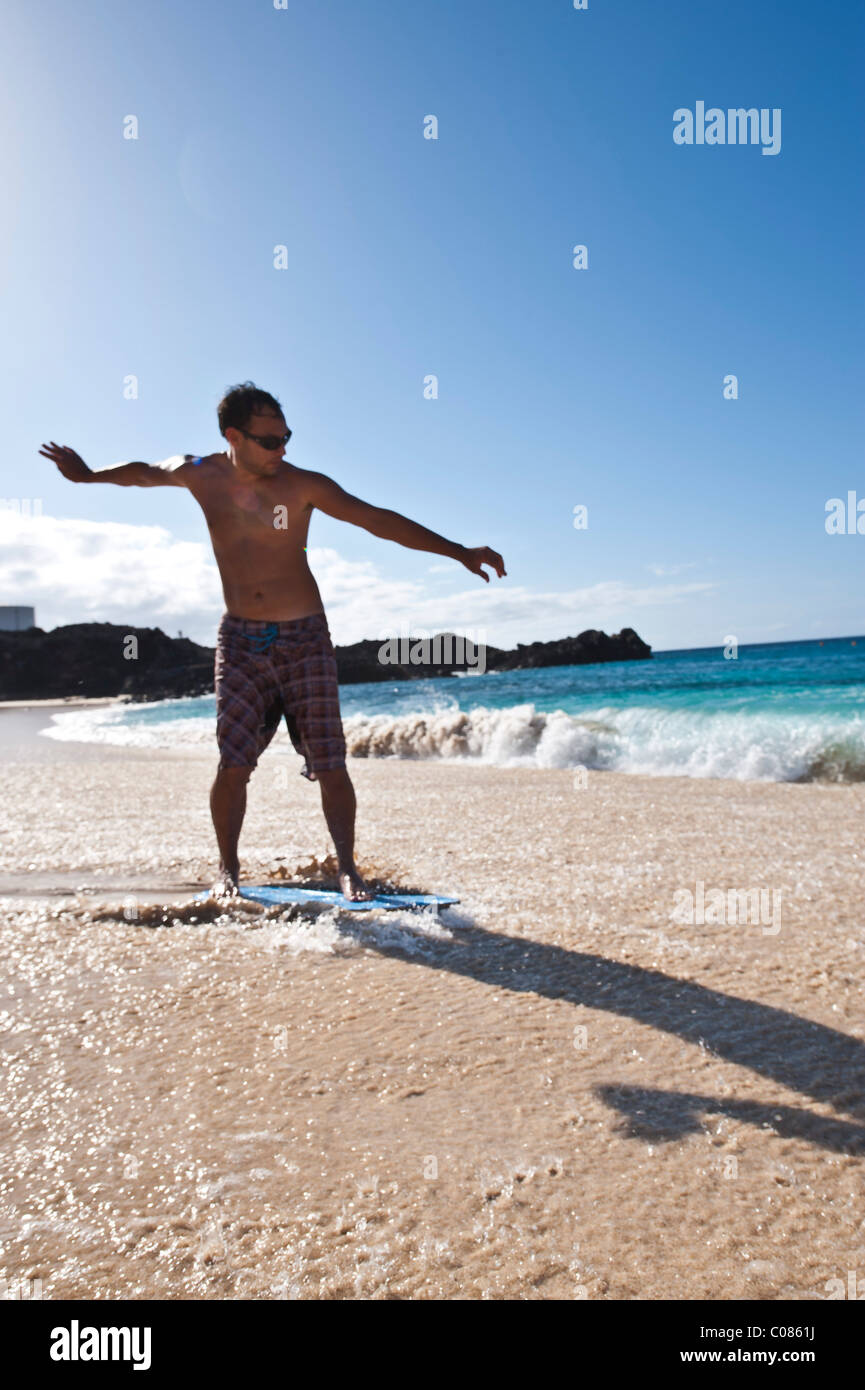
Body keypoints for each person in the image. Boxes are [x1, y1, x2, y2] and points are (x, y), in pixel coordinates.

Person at [40, 381, 506, 900]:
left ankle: (348, 867)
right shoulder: (199, 473)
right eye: (269, 441)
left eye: (286, 438)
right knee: (234, 763)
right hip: (240, 638)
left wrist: (459, 551)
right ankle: (228, 871)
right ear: (232, 436)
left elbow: (377, 520)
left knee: (330, 760)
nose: (282, 450)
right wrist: (87, 476)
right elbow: (143, 473)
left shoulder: (303, 484)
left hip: (305, 634)